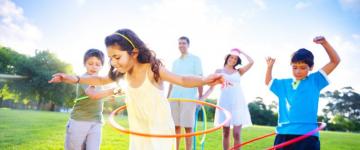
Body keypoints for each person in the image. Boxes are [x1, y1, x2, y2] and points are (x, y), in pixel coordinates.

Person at [49, 28, 225, 150]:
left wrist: (204, 80)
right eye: (111, 58)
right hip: (139, 131)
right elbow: (100, 79)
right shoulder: (122, 74)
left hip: (159, 131)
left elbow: (182, 79)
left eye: (117, 57)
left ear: (133, 53)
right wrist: (74, 78)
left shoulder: (152, 69)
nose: (113, 62)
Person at [265, 36, 340, 150]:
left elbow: (335, 61)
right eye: (294, 67)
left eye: (303, 67)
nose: (298, 71)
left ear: (311, 67)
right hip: (284, 134)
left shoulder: (315, 80)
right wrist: (269, 67)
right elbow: (268, 82)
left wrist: (325, 43)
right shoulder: (283, 84)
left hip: (308, 135)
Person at [202, 48, 253, 150]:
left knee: (237, 134)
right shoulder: (218, 71)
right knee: (226, 133)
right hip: (224, 103)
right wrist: (202, 98)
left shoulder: (239, 71)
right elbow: (211, 87)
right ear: (227, 57)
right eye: (231, 57)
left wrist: (241, 51)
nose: (233, 60)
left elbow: (251, 62)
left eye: (235, 59)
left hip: (238, 103)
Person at [65, 49, 115, 150]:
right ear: (85, 64)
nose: (94, 67)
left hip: (96, 121)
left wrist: (107, 98)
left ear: (102, 66)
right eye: (90, 63)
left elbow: (98, 97)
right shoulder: (84, 78)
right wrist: (112, 91)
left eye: (97, 64)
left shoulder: (100, 80)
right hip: (79, 121)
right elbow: (93, 95)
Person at [167, 36, 203, 150]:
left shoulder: (195, 59)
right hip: (174, 97)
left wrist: (200, 98)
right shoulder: (175, 62)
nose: (181, 45)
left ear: (188, 45)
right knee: (175, 127)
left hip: (189, 97)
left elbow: (200, 79)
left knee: (188, 127)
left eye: (183, 43)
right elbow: (171, 81)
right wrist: (168, 98)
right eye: (179, 43)